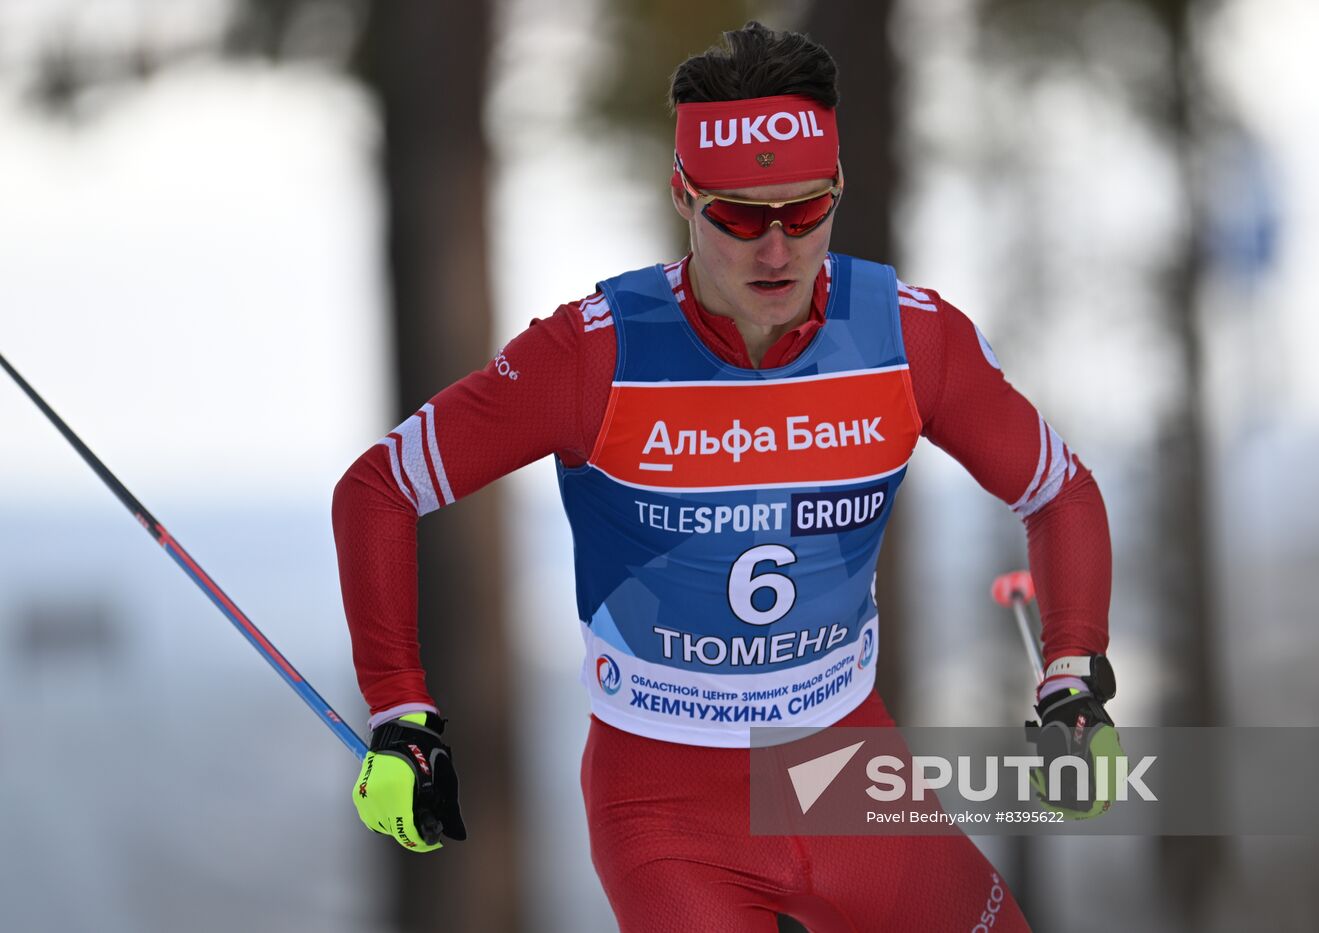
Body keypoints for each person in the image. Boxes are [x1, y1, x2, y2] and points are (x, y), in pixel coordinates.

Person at [334, 21, 1117, 932]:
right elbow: (380, 486)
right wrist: (401, 712)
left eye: (805, 212)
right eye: (740, 218)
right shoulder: (597, 355)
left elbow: (1058, 491)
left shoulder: (908, 339)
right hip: (668, 808)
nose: (776, 251)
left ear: (838, 192)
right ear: (683, 196)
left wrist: (1071, 678)